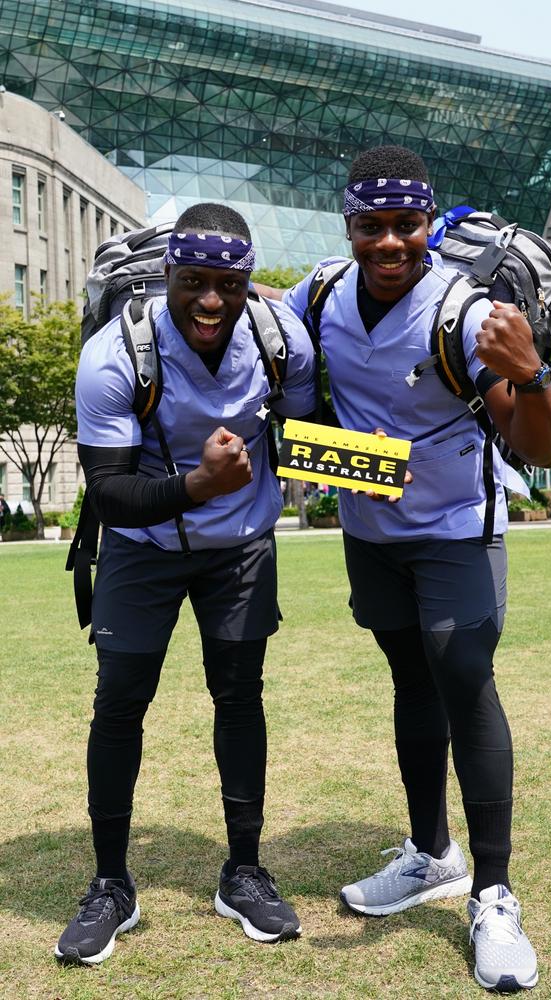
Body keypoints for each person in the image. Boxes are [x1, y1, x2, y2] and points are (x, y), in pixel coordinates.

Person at [261, 146, 551, 993]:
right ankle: (432, 852)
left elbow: (538, 447)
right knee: (410, 678)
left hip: (457, 529)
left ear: (430, 224)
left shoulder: (463, 316)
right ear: (348, 226)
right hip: (371, 527)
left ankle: (496, 896)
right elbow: (272, 337)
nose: (391, 242)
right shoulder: (320, 291)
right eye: (372, 226)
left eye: (407, 225)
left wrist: (532, 372)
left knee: (463, 674)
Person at [55, 203, 316, 965]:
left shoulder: (281, 340)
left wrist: (388, 464)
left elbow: (302, 430)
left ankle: (244, 871)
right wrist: (199, 484)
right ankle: (110, 884)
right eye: (194, 281)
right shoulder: (116, 354)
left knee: (239, 698)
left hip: (240, 550)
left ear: (248, 282)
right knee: (120, 703)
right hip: (141, 547)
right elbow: (107, 493)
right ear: (168, 273)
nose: (211, 300)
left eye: (228, 283)